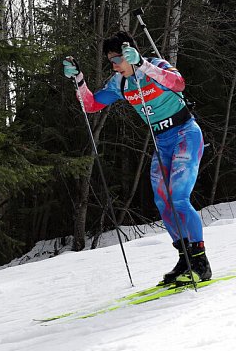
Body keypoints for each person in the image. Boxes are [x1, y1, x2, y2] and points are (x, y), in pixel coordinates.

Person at [63, 30, 211, 285]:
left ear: (132, 52)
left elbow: (178, 83)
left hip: (185, 133)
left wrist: (142, 63)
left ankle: (201, 262)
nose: (116, 64)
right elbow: (91, 105)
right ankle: (185, 257)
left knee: (178, 197)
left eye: (119, 58)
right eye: (111, 60)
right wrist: (79, 79)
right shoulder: (119, 84)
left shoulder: (154, 66)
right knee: (163, 201)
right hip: (161, 142)